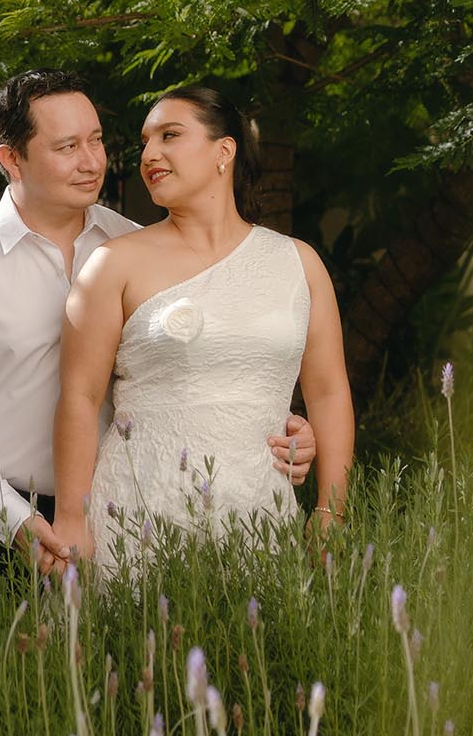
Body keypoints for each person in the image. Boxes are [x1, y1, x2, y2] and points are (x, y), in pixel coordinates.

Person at [0, 70, 317, 575]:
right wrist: (13, 518)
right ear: (11, 159)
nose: (93, 162)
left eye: (96, 140)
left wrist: (273, 428)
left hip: (123, 520)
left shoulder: (139, 248)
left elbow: (192, 370)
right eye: (67, 147)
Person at [52, 86, 353, 575]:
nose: (150, 154)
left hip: (260, 510)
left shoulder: (298, 263)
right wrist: (71, 517)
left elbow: (329, 392)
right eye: (145, 142)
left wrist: (330, 509)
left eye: (169, 136)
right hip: (139, 512)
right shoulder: (113, 264)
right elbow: (79, 398)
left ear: (224, 151)